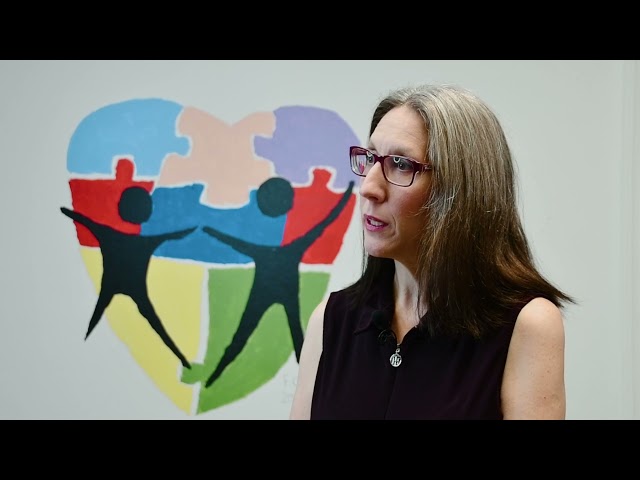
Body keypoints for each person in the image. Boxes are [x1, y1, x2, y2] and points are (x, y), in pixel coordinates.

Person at [289, 84, 574, 420]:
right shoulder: (331, 319)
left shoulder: (527, 324)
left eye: (400, 164)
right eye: (370, 158)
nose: (369, 187)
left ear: (460, 190)